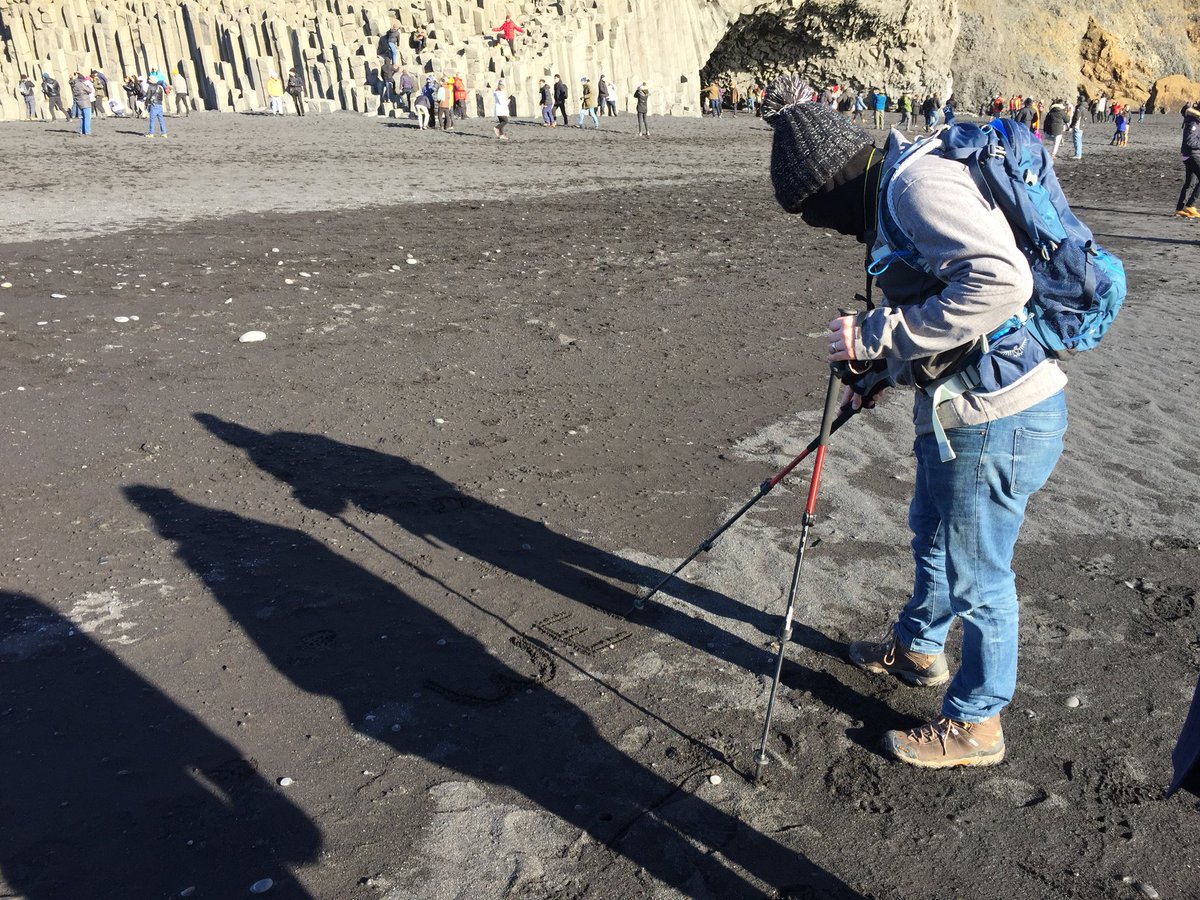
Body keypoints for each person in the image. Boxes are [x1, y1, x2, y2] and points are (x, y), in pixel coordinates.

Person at [762, 75, 1068, 768]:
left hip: (998, 417)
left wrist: (876, 334)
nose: (820, 229)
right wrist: (881, 371)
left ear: (833, 183)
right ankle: (919, 650)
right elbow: (944, 318)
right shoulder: (894, 189)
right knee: (932, 534)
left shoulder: (913, 187)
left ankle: (977, 725)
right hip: (962, 407)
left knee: (980, 576)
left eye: (813, 214)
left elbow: (1000, 284)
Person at [1174, 103, 1200, 218]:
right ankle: (1191, 205)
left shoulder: (1194, 121)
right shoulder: (1193, 123)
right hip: (1191, 155)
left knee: (1190, 183)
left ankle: (1180, 209)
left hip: (1189, 154)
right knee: (1191, 182)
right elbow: (1190, 142)